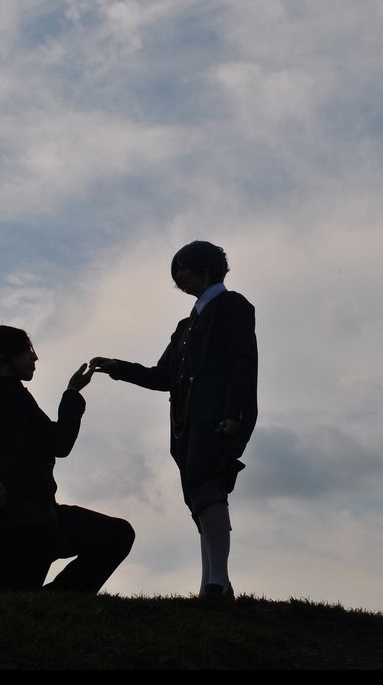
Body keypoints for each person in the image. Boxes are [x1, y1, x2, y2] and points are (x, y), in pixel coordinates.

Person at [90, 240, 258, 603]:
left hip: (216, 416)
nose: (178, 276)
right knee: (197, 494)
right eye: (176, 271)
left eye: (183, 268)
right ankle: (212, 582)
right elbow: (163, 376)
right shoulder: (185, 326)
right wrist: (119, 368)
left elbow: (243, 362)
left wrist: (234, 413)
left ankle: (218, 579)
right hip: (186, 423)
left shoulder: (233, 305)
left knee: (206, 485)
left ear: (206, 268)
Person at [0, 324, 135, 598]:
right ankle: (55, 601)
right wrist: (73, 392)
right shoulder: (8, 396)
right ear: (3, 354)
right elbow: (59, 443)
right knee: (116, 535)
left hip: (36, 522)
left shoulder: (1, 400)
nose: (34, 356)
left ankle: (51, 602)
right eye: (27, 349)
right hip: (23, 530)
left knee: (116, 535)